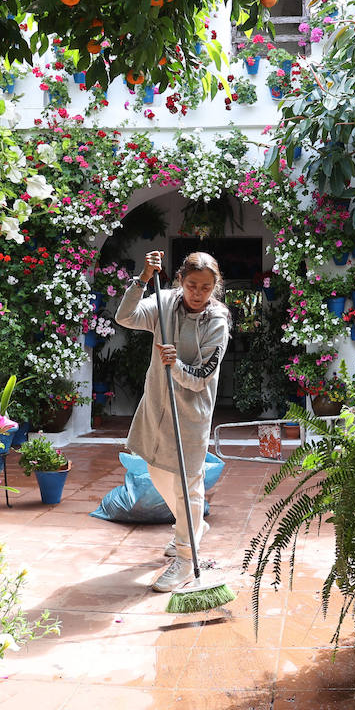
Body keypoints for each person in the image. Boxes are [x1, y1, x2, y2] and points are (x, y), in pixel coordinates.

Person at [116, 249, 231, 592]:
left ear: (215, 287)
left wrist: (175, 365)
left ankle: (185, 557)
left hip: (191, 414)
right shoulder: (164, 303)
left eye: (206, 287)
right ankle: (191, 526)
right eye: (192, 285)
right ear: (181, 281)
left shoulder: (217, 322)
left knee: (187, 483)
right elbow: (126, 316)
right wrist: (143, 280)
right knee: (155, 469)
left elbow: (201, 378)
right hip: (156, 404)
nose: (198, 293)